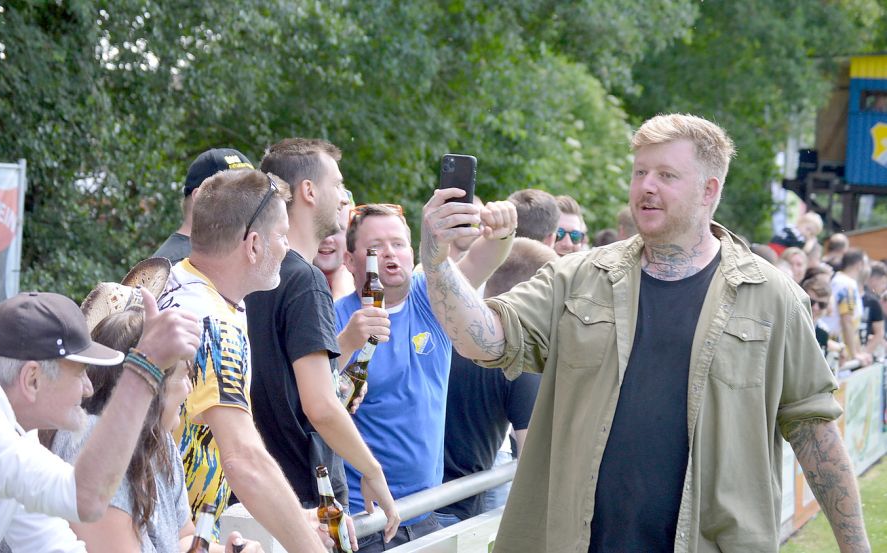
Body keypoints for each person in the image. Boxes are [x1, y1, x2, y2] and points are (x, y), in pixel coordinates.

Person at [419, 113, 869, 552]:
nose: (646, 186)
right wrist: (436, 260)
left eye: (666, 175)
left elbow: (815, 433)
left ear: (709, 190)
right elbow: (483, 339)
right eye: (640, 172)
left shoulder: (773, 298)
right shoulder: (577, 277)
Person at [0, 289, 200, 552]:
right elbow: (86, 497)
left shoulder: (12, 436)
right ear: (32, 379)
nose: (89, 387)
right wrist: (146, 365)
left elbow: (53, 544)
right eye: (79, 372)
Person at [156, 168, 329, 551]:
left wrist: (294, 514)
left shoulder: (172, 281)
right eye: (282, 236)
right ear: (252, 245)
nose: (287, 249)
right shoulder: (214, 325)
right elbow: (243, 460)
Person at [334, 199, 516, 551]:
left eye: (398, 243)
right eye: (375, 247)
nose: (390, 254)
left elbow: (485, 257)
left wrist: (503, 230)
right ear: (349, 260)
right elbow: (311, 402)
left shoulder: (429, 297)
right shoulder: (334, 317)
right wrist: (345, 344)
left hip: (427, 512)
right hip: (365, 519)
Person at [247, 138, 399, 540]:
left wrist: (343, 351)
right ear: (309, 191)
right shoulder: (305, 280)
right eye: (339, 185)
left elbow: (279, 381)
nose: (344, 198)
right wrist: (372, 470)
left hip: (261, 498)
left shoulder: (256, 272)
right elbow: (320, 406)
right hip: (307, 504)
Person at [52, 292, 261, 553]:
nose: (188, 389)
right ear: (154, 382)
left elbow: (185, 540)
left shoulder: (158, 440)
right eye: (185, 375)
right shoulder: (92, 445)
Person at [435, 238, 554, 528]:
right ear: (533, 296)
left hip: (398, 504)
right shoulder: (517, 359)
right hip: (453, 512)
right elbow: (534, 464)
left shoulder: (439, 327)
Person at [153, 148, 254, 264]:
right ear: (200, 197)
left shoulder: (201, 259)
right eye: (236, 192)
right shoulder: (176, 267)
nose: (248, 204)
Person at [819, 248, 872, 366]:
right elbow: (847, 320)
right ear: (860, 265)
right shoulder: (846, 284)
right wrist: (854, 354)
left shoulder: (842, 281)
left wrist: (858, 352)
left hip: (836, 347)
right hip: (834, 349)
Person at [314, 190, 357, 300]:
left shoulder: (369, 281)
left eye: (337, 229)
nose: (327, 239)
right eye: (320, 228)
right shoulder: (284, 278)